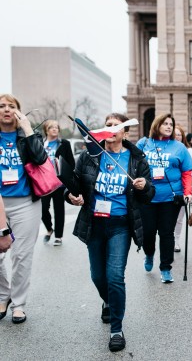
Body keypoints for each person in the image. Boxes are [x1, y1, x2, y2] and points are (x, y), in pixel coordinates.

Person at [66, 113, 154, 352]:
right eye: (107, 125)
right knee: (98, 276)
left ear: (125, 132)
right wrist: (71, 196)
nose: (111, 129)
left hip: (120, 225)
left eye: (116, 126)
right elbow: (72, 184)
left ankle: (116, 327)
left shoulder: (136, 158)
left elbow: (149, 194)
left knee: (115, 276)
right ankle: (108, 301)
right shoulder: (89, 156)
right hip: (94, 224)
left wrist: (144, 186)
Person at [0, 93, 46, 324]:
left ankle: (18, 304)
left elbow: (40, 158)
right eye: (2, 106)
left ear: (18, 111)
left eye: (12, 106)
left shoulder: (26, 136)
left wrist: (27, 129)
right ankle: (2, 295)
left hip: (25, 203)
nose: (6, 110)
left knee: (21, 256)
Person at [136, 114, 192, 283]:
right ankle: (149, 253)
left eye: (171, 124)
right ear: (157, 125)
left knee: (166, 233)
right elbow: (133, 164)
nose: (169, 126)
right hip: (147, 197)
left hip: (170, 198)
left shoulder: (179, 147)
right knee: (148, 233)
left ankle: (166, 268)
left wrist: (188, 192)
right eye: (165, 123)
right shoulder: (144, 143)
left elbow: (187, 172)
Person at [41, 120, 74, 246]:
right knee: (43, 209)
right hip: (45, 183)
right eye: (51, 127)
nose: (54, 129)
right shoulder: (41, 143)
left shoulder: (64, 143)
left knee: (59, 209)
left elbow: (71, 162)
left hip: (59, 183)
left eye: (56, 127)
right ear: (46, 130)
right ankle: (49, 229)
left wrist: (68, 178)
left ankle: (58, 236)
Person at [173, 124, 192, 252]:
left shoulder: (188, 151)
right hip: (167, 191)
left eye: (179, 134)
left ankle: (176, 241)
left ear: (182, 136)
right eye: (174, 134)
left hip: (183, 190)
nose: (176, 136)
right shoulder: (164, 149)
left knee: (179, 218)